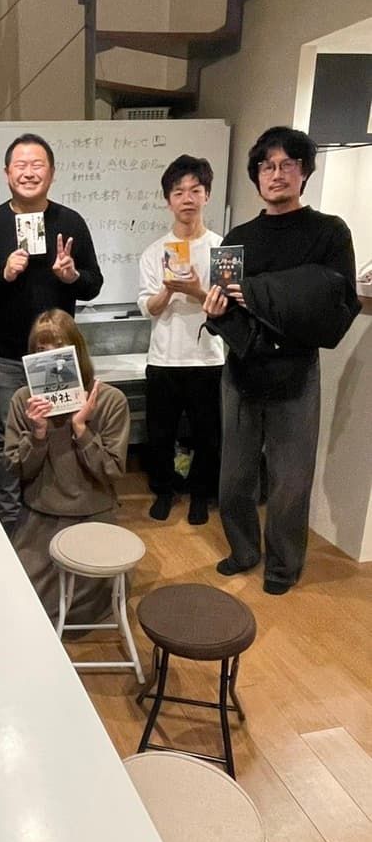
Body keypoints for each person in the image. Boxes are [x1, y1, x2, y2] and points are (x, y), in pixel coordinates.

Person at [203, 126, 360, 595]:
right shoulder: (239, 238)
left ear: (304, 172)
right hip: (242, 371)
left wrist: (258, 295)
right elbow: (229, 309)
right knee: (234, 479)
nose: (277, 174)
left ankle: (283, 566)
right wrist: (217, 312)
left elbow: (333, 303)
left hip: (296, 373)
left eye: (288, 164)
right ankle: (244, 550)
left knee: (291, 482)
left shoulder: (329, 232)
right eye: (267, 166)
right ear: (256, 176)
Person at [0, 133, 103, 531]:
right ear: (6, 173)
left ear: (52, 173)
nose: (28, 172)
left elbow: (94, 284)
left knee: (61, 431)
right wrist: (2, 275)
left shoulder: (70, 222)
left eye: (37, 165)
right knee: (8, 436)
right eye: (20, 165)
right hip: (7, 354)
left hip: (58, 357)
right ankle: (11, 517)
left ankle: (57, 507)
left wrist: (72, 276)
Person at [4, 309, 129, 623]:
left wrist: (81, 429)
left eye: (60, 348)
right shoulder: (24, 401)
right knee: (21, 598)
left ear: (77, 351)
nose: (51, 358)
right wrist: (38, 433)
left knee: (88, 604)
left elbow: (113, 471)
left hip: (92, 512)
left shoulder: (110, 400)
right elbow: (17, 470)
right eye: (41, 350)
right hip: (41, 513)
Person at [137, 155, 225, 525]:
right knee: (160, 433)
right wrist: (170, 290)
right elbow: (149, 308)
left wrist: (196, 290)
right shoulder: (154, 252)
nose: (187, 198)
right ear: (168, 200)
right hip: (164, 359)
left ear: (207, 195)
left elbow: (227, 307)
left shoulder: (222, 249)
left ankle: (201, 496)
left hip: (208, 358)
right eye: (178, 192)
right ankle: (164, 490)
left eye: (195, 190)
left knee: (208, 435)